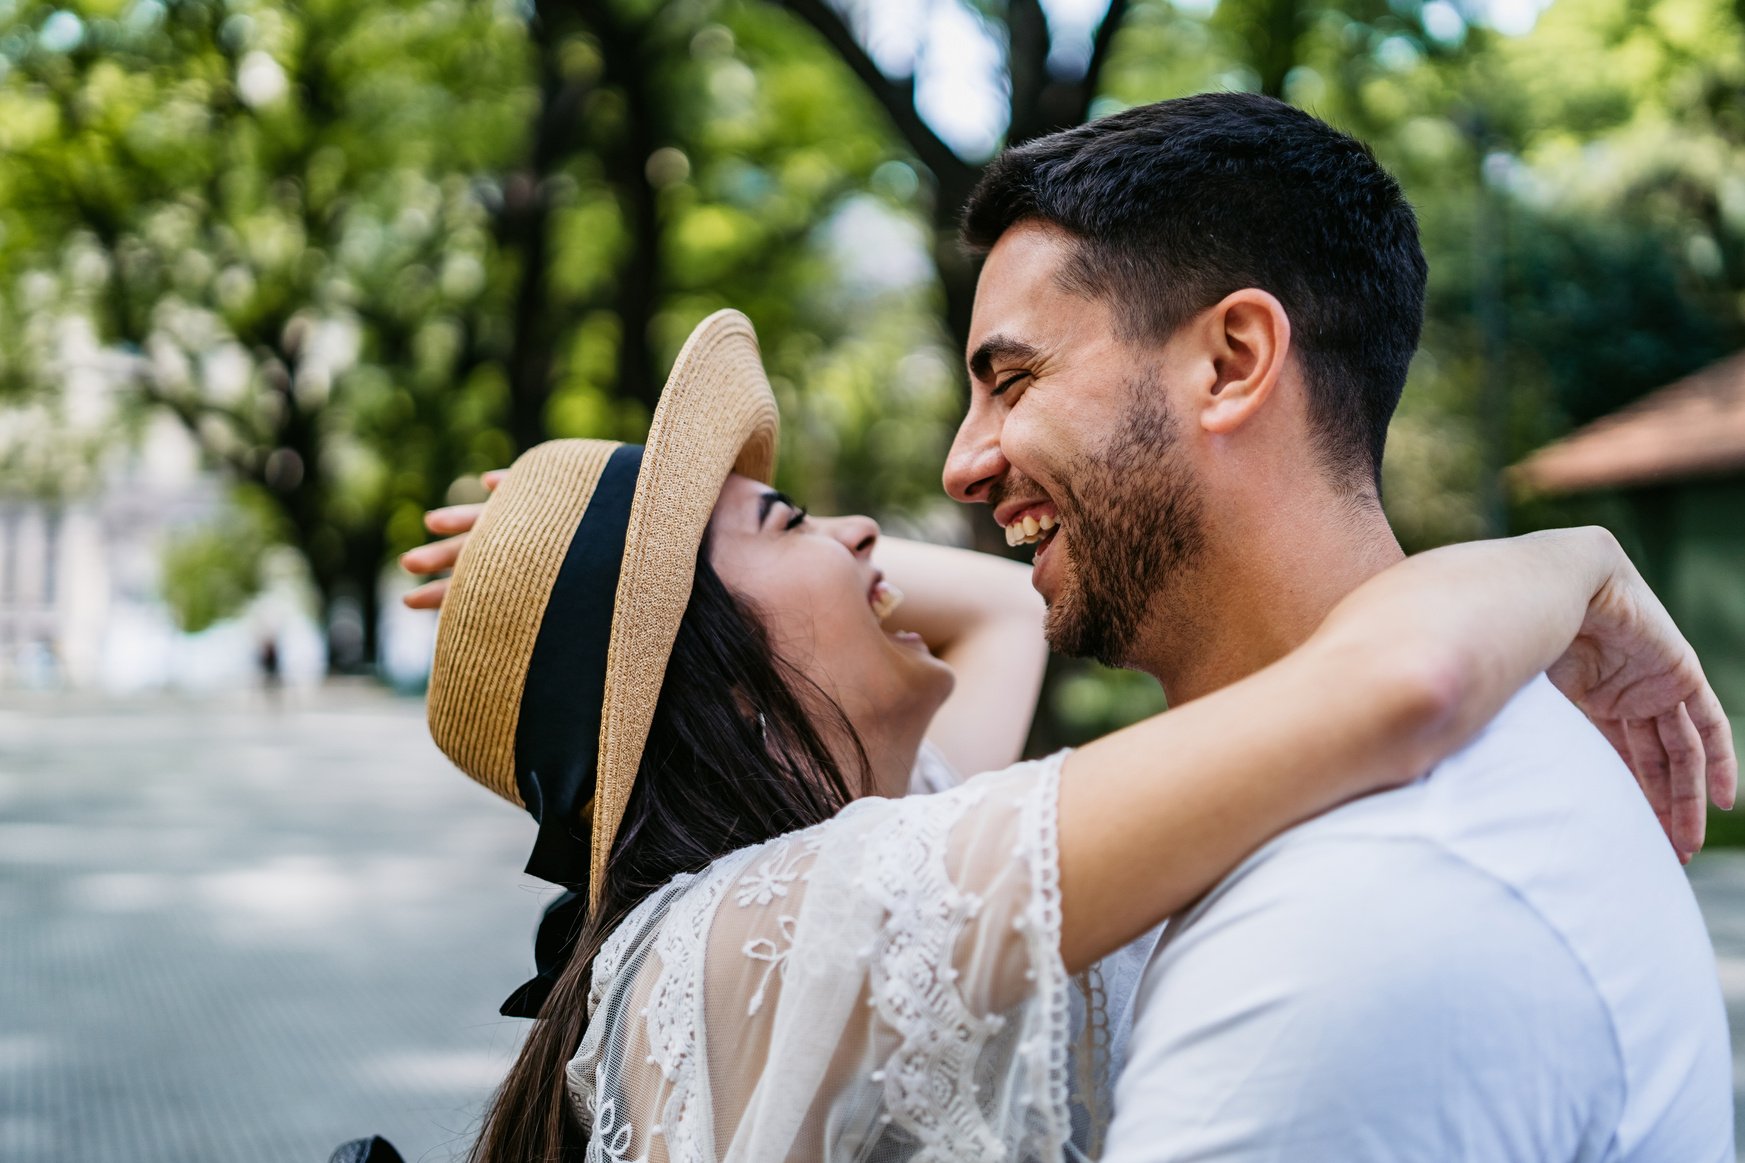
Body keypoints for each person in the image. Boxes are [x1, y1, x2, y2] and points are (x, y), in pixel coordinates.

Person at [400, 309, 1732, 1163]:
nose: (872, 529)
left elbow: (994, 609)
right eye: (791, 518)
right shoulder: (755, 930)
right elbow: (1405, 680)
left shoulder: (861, 857)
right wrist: (1578, 560)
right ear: (724, 684)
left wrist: (637, 579)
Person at [943, 91, 1735, 1159]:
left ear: (1230, 361)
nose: (963, 460)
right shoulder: (1367, 815)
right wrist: (1564, 558)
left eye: (1012, 381)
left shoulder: (1356, 914)